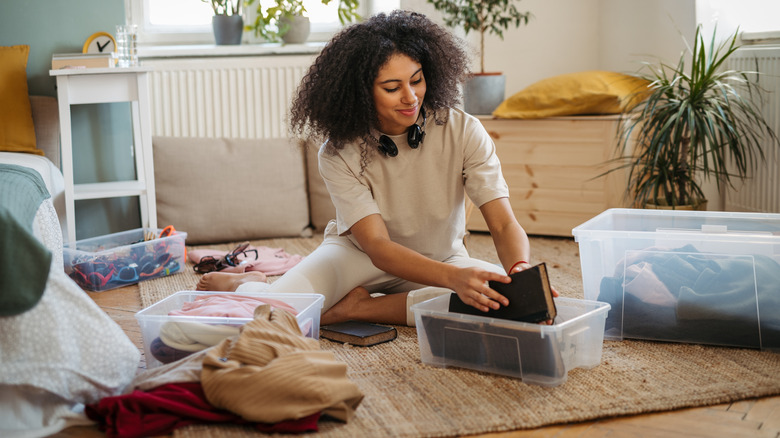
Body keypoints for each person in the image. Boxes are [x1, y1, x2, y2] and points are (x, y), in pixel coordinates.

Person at [197, 9, 557, 327]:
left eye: (416, 80)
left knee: (506, 304)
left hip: (440, 257)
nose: (411, 97)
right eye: (391, 87)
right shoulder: (338, 151)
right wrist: (452, 280)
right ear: (361, 93)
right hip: (356, 256)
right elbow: (378, 247)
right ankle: (252, 284)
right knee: (273, 316)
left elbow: (503, 222)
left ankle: (359, 308)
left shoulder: (463, 130)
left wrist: (518, 270)